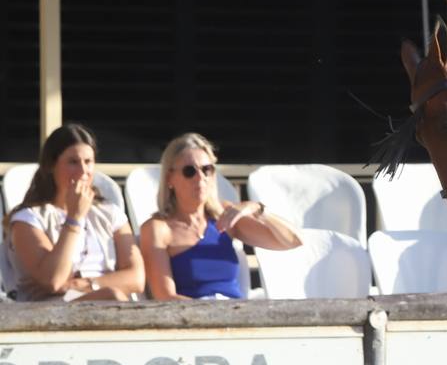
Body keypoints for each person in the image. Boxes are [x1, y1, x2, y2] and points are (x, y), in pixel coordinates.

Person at [139, 133, 301, 299]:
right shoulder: (157, 228)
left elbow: (293, 240)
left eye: (206, 169)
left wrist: (257, 209)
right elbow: (165, 297)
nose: (200, 178)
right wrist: (216, 313)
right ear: (169, 179)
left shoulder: (224, 215)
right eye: (189, 171)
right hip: (193, 318)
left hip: (237, 313)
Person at [4, 124, 144, 302]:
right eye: (73, 162)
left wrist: (82, 284)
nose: (83, 171)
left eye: (88, 162)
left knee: (112, 297)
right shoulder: (28, 220)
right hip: (46, 312)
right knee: (112, 295)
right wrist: (74, 219)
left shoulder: (109, 213)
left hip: (105, 301)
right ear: (51, 166)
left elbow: (136, 278)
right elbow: (53, 280)